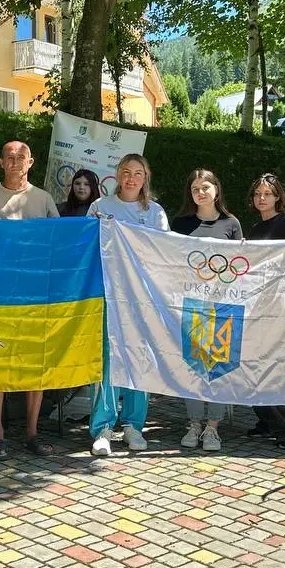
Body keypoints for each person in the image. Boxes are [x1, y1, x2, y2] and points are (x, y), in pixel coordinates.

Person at [0, 140, 59, 459]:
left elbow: (59, 243)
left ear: (31, 162)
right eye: (8, 157)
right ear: (0, 163)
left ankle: (32, 432)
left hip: (35, 296)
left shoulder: (44, 199)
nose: (14, 162)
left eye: (20, 157)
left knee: (34, 363)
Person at [86, 155, 168, 456]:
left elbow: (162, 252)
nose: (131, 178)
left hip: (142, 298)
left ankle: (134, 426)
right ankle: (103, 427)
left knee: (139, 361)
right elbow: (87, 247)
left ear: (145, 177)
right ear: (117, 175)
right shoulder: (100, 207)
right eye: (126, 172)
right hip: (109, 293)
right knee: (109, 361)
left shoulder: (155, 212)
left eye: (138, 173)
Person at [172, 168, 243, 452]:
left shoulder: (232, 223)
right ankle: (194, 424)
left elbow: (242, 263)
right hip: (193, 304)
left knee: (220, 366)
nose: (200, 193)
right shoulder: (180, 223)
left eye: (205, 188)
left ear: (216, 189)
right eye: (195, 189)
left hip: (225, 304)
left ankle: (213, 428)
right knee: (193, 365)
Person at [245, 173, 285, 449]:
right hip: (257, 305)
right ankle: (266, 419)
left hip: (280, 307)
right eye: (258, 194)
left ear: (278, 197)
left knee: (272, 369)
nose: (262, 198)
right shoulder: (255, 229)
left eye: (267, 193)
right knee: (252, 364)